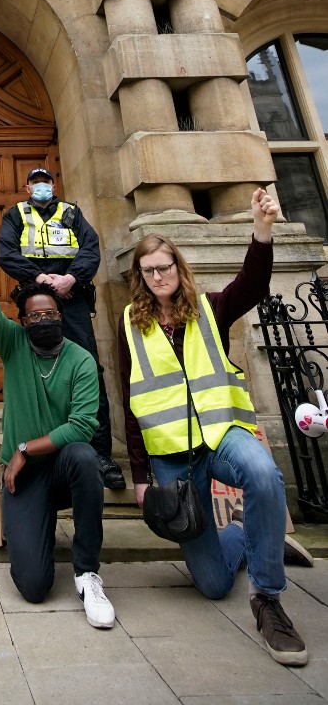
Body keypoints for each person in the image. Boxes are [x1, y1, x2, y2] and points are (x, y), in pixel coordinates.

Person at [119, 189, 311, 667]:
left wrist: (261, 230)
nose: (158, 275)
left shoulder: (211, 307)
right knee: (212, 584)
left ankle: (267, 599)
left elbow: (253, 284)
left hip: (223, 434)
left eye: (165, 266)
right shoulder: (130, 323)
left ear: (177, 268)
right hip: (172, 456)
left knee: (264, 475)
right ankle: (251, 535)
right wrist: (141, 476)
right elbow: (131, 401)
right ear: (140, 277)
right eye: (149, 270)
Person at [0, 239, 115, 627]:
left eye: (49, 314)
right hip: (26, 480)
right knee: (33, 587)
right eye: (33, 317)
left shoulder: (80, 359)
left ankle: (87, 572)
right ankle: (37, 528)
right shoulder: (13, 345)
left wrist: (24, 449)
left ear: (60, 314)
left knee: (86, 456)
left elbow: (84, 425)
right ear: (22, 322)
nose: (42, 321)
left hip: (63, 468)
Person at [0, 166, 126, 490]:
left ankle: (100, 454)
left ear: (53, 186)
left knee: (89, 369)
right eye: (35, 183)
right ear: (27, 188)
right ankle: (36, 448)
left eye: (46, 182)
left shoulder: (70, 213)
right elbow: (7, 254)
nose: (41, 187)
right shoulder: (16, 215)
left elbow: (90, 248)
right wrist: (41, 280)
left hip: (72, 298)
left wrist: (71, 278)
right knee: (33, 370)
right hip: (34, 300)